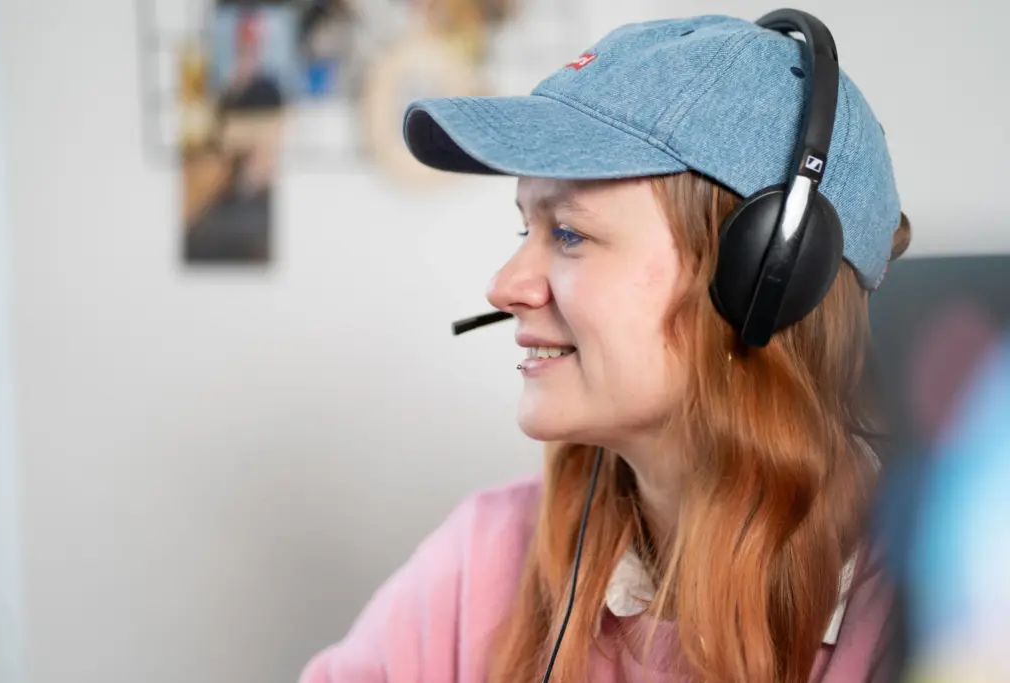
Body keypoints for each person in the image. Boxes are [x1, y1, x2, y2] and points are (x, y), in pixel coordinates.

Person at [299, 10, 912, 683]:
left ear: (765, 276)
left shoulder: (943, 601)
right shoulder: (485, 557)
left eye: (569, 234)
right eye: (526, 229)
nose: (503, 287)